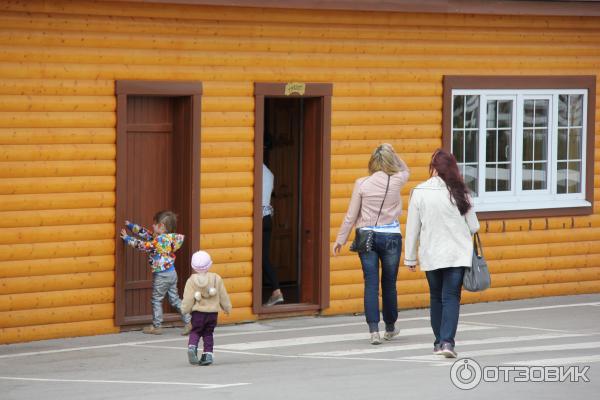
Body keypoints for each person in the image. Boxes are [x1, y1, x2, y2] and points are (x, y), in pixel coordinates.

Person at [404, 149, 480, 358]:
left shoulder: (419, 191)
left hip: (431, 253)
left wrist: (410, 257)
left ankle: (438, 342)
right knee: (451, 297)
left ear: (433, 168)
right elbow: (473, 226)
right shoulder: (460, 192)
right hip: (456, 254)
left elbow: (413, 229)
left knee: (436, 297)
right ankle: (448, 343)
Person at [333, 143, 410, 345]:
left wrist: (340, 239)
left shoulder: (362, 183)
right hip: (391, 236)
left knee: (371, 283)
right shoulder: (398, 180)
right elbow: (405, 169)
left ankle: (374, 331)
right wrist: (394, 152)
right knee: (389, 284)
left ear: (372, 162)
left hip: (366, 235)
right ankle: (391, 327)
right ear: (390, 161)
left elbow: (351, 215)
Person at [120, 210, 192, 335]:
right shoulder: (167, 239)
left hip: (162, 275)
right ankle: (189, 322)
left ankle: (157, 326)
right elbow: (146, 234)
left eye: (155, 224)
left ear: (162, 227)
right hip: (172, 273)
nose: (152, 226)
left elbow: (143, 245)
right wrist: (131, 226)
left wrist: (127, 238)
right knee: (175, 299)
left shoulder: (159, 242)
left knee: (156, 300)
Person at [181, 250, 232, 366]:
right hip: (212, 313)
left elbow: (188, 298)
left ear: (193, 266)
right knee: (208, 333)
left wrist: (185, 310)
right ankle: (207, 354)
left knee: (195, 331)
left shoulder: (191, 281)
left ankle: (192, 346)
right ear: (210, 264)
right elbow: (223, 295)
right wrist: (227, 308)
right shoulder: (216, 279)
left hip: (198, 313)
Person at [262, 162, 284, 306]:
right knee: (263, 257)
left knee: (260, 258)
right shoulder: (269, 173)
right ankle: (276, 291)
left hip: (259, 217)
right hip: (267, 217)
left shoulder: (254, 170)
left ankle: (276, 292)